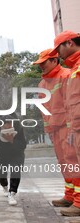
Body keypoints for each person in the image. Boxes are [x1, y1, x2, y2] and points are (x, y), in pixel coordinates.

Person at [32, 49, 75, 208]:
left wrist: (72, 129)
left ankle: (78, 200)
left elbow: (72, 104)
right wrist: (48, 130)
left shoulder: (66, 75)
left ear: (54, 60)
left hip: (67, 127)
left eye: (44, 62)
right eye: (40, 64)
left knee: (73, 162)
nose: (41, 66)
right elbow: (44, 110)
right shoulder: (42, 84)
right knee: (64, 162)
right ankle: (69, 195)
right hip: (56, 129)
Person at [49, 31, 80, 223]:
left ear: (69, 43)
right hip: (73, 126)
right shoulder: (75, 68)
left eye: (59, 48)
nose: (58, 54)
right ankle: (74, 198)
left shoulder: (70, 72)